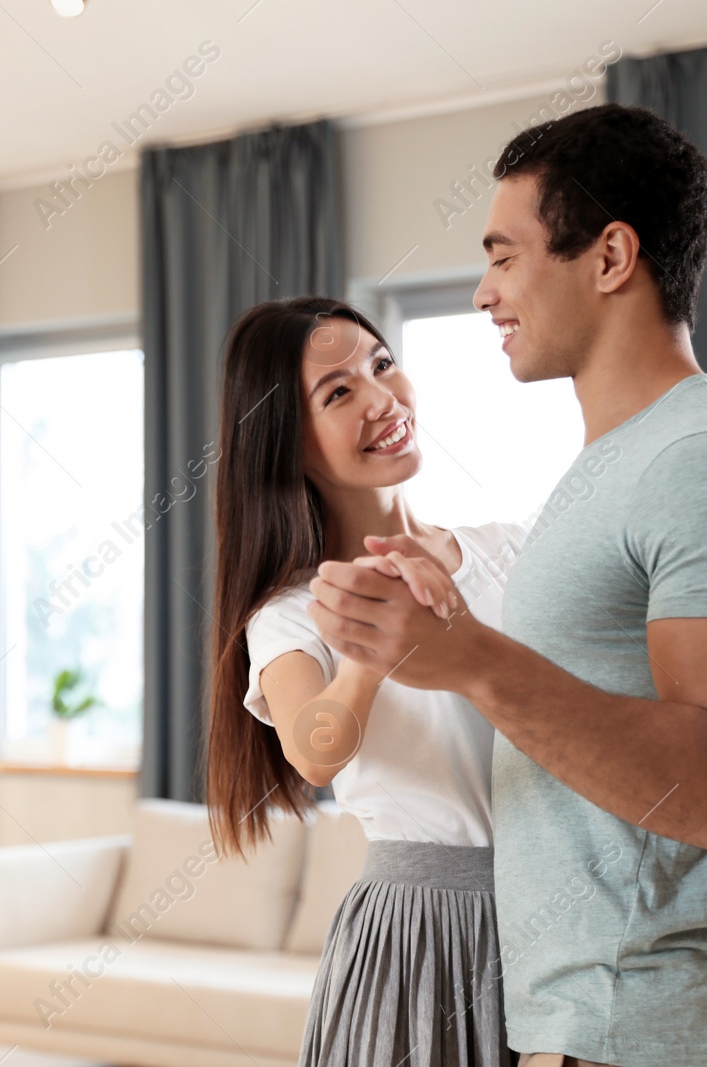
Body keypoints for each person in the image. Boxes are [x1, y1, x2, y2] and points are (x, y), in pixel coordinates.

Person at [308, 103, 707, 1066]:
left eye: (504, 256)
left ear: (609, 258)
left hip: (690, 1031)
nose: (483, 293)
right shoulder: (611, 469)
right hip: (601, 1029)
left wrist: (471, 661)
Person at [205, 295, 527, 1067]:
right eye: (338, 392)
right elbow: (313, 752)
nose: (382, 399)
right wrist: (374, 641)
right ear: (289, 444)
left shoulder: (511, 548)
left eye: (381, 364)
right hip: (421, 935)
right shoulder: (291, 611)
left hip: (556, 914)